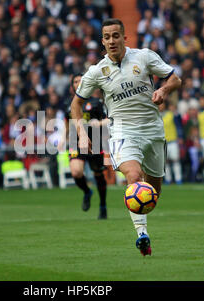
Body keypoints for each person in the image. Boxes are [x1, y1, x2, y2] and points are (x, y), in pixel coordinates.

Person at [70, 19, 182, 256]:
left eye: (115, 36)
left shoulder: (144, 57)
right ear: (102, 41)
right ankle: (142, 234)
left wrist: (163, 89)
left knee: (153, 193)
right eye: (107, 37)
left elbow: (175, 78)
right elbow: (76, 105)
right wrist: (81, 133)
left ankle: (143, 221)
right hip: (122, 131)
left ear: (124, 38)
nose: (112, 41)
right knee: (133, 176)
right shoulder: (96, 71)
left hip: (153, 130)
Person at [66, 74, 108, 220]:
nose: (78, 83)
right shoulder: (69, 104)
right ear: (72, 86)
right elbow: (68, 123)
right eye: (75, 81)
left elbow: (108, 120)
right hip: (75, 141)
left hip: (95, 141)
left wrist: (100, 124)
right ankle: (87, 192)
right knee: (76, 172)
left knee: (98, 174)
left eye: (80, 80)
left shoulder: (96, 102)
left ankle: (103, 205)